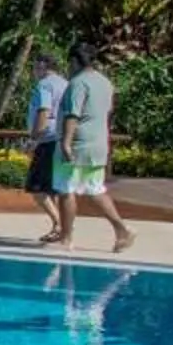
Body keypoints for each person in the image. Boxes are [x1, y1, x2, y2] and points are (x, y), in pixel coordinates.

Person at [57, 40, 135, 254]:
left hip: (78, 144)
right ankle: (122, 229)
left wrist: (65, 142)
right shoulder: (105, 82)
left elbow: (73, 114)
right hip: (98, 143)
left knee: (66, 189)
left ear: (74, 61)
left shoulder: (78, 83)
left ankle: (66, 239)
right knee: (94, 189)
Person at [23, 50, 70, 244]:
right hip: (61, 139)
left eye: (35, 67)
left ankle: (59, 225)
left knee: (36, 188)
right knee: (54, 188)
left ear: (43, 67)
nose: (34, 71)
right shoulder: (65, 84)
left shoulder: (45, 85)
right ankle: (60, 225)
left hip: (47, 140)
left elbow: (44, 112)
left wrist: (33, 139)